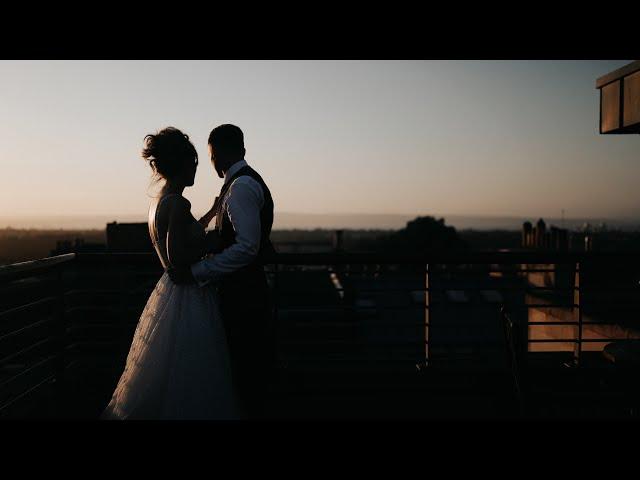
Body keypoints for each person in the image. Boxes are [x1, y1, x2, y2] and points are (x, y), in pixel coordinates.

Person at [102, 127, 238, 420]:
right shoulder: (178, 202)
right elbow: (178, 257)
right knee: (192, 371)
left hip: (170, 291)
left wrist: (211, 214)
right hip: (187, 292)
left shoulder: (160, 201)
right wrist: (215, 241)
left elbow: (178, 237)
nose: (196, 171)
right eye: (195, 164)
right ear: (183, 163)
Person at [169, 124, 275, 419]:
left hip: (244, 298)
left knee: (246, 374)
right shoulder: (238, 184)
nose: (210, 163)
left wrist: (199, 270)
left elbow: (246, 248)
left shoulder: (240, 187)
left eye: (210, 156)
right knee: (242, 374)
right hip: (240, 294)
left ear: (217, 153)